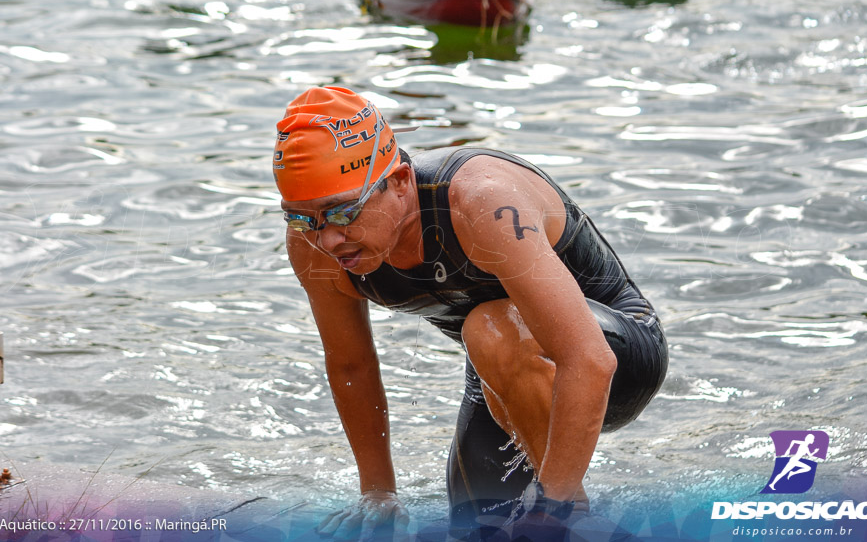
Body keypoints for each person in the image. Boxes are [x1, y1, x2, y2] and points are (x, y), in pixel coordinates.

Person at [274, 86, 668, 539]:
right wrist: (378, 492)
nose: (327, 240)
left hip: (617, 353)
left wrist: (555, 509)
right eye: (301, 219)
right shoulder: (313, 247)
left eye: (342, 213)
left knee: (489, 329)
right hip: (500, 372)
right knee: (475, 530)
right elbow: (351, 365)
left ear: (400, 182)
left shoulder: (481, 202)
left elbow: (591, 361)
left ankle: (579, 515)